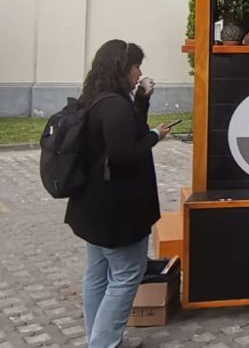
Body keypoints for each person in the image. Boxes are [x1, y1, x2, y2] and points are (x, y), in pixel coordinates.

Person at [65, 40, 172, 348]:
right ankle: (104, 344)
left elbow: (126, 132)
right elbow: (125, 153)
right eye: (136, 66)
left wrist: (141, 101)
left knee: (97, 274)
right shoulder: (115, 106)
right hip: (118, 210)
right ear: (121, 68)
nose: (139, 73)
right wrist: (155, 136)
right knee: (126, 276)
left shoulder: (95, 99)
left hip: (93, 206)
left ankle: (99, 339)